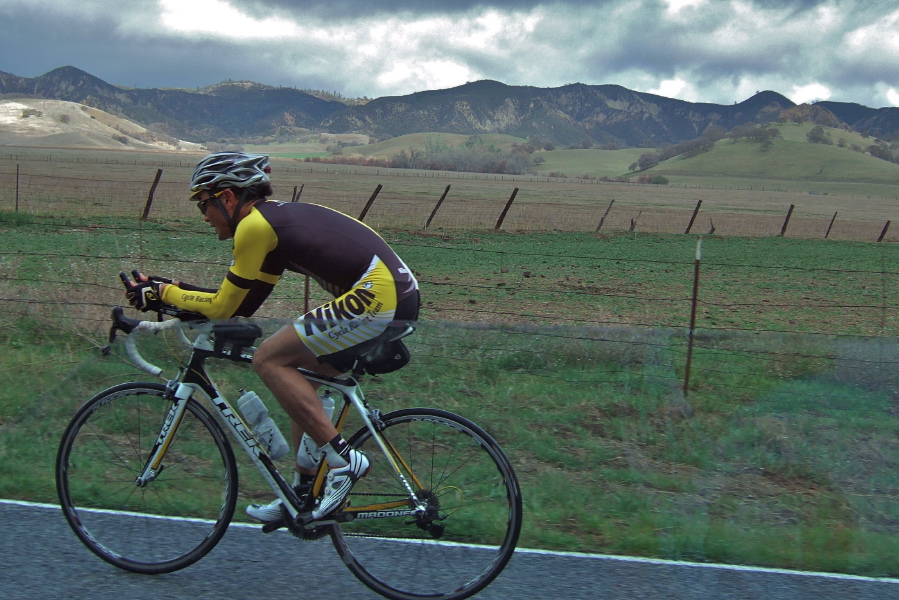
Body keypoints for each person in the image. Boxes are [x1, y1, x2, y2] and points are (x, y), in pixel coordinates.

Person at [124, 151, 420, 523]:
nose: (204, 217)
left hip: (380, 295)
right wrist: (171, 292)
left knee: (268, 358)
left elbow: (221, 308)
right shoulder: (269, 225)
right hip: (394, 293)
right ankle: (303, 495)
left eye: (204, 204)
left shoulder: (253, 227)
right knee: (295, 372)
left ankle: (345, 460)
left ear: (228, 198)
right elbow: (238, 306)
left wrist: (164, 293)